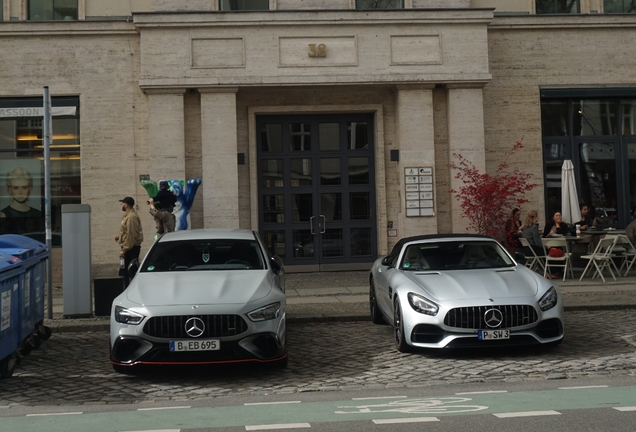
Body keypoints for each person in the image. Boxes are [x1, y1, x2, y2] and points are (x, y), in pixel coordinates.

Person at [0, 166, 43, 234]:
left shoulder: (37, 214)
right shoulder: (3, 215)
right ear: (10, 189)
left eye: (24, 187)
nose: (20, 192)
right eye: (15, 188)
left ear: (30, 188)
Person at [115, 197, 143, 287]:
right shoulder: (127, 215)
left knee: (131, 271)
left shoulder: (131, 217)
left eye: (123, 203)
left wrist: (125, 250)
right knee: (125, 272)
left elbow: (131, 234)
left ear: (126, 205)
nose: (122, 205)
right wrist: (120, 237)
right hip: (129, 247)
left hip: (131, 248)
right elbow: (126, 231)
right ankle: (127, 288)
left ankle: (135, 289)